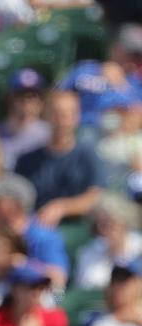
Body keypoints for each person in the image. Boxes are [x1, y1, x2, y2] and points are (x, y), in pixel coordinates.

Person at [15, 90, 106, 226]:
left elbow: (95, 196)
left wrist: (62, 208)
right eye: (57, 114)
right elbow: (16, 197)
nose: (63, 120)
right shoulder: (27, 160)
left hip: (79, 227)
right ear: (46, 115)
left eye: (70, 114)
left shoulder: (89, 155)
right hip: (36, 226)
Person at [69, 263, 142, 326]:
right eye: (115, 281)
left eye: (124, 282)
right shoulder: (95, 319)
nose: (119, 287)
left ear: (136, 285)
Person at [73, 193, 142, 290]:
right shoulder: (89, 253)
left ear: (124, 222)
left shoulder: (139, 247)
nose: (106, 230)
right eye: (101, 225)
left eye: (111, 223)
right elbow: (82, 290)